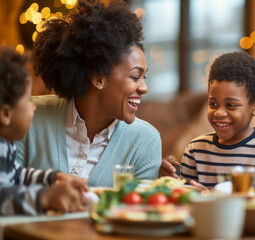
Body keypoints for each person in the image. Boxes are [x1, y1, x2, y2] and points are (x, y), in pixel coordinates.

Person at [15, 0, 162, 187]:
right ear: (98, 78)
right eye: (135, 76)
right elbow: (6, 195)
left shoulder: (145, 141)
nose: (144, 88)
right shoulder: (31, 116)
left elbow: (139, 212)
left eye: (144, 78)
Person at [179, 52, 255, 190]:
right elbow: (186, 200)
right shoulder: (195, 150)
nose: (219, 112)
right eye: (213, 104)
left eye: (231, 105)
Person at [0, 46, 88, 215]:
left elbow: (16, 175)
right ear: (5, 114)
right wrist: (45, 197)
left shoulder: (6, 144)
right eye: (27, 101)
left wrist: (53, 178)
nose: (33, 107)